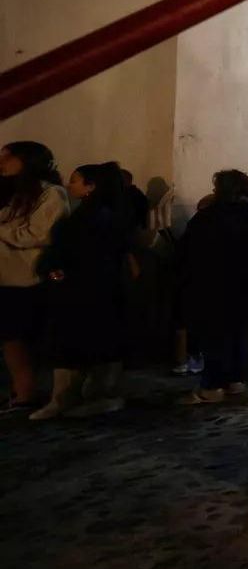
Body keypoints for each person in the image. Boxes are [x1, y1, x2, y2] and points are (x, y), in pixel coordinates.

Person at [32, 163, 133, 420]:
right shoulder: (101, 214)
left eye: (75, 180)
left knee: (73, 343)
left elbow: (79, 252)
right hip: (95, 290)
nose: (70, 185)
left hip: (85, 290)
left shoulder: (92, 218)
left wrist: (56, 270)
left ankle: (70, 398)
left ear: (91, 186)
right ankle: (82, 396)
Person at [175, 170, 248, 404]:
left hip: (214, 285)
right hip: (246, 284)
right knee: (239, 333)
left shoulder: (211, 216)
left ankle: (212, 386)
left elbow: (189, 250)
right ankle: (236, 380)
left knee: (215, 337)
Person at [0, 141, 69, 413]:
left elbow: (39, 233)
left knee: (19, 337)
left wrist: (3, 231)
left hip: (28, 277)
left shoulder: (51, 194)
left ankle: (26, 392)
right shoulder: (20, 195)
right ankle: (20, 390)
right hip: (8, 275)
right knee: (11, 338)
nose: (2, 163)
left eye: (7, 157)